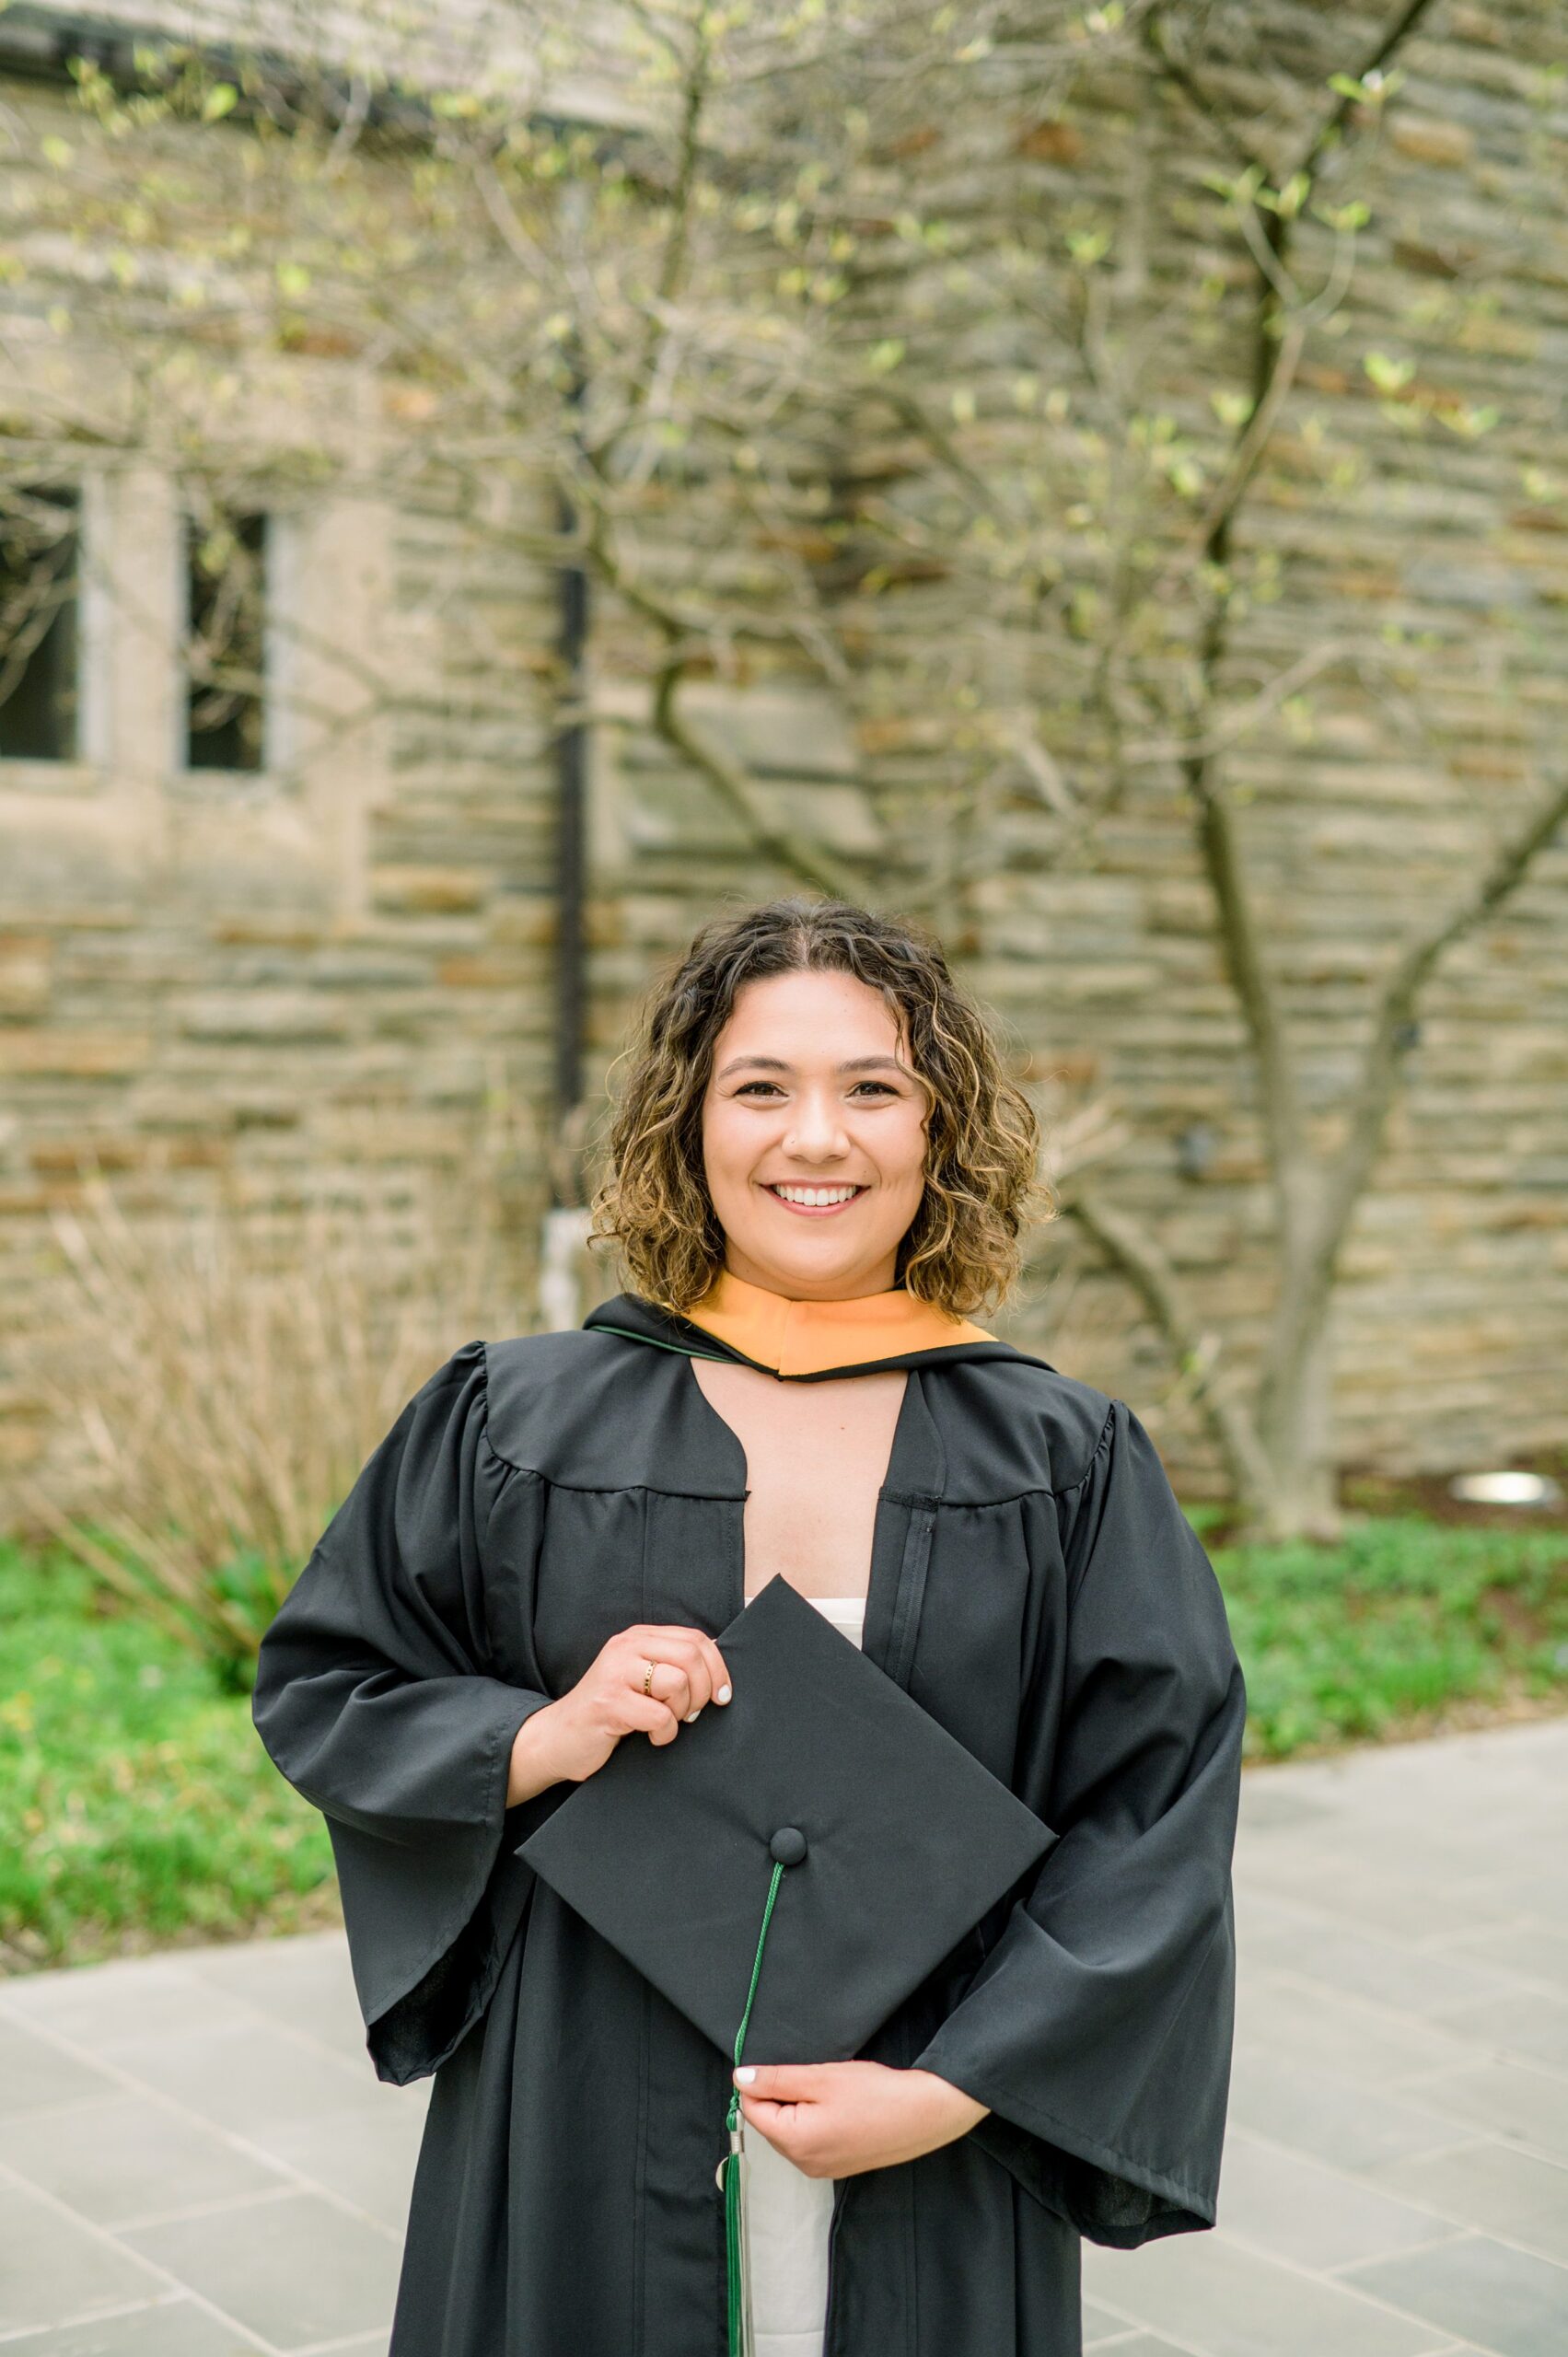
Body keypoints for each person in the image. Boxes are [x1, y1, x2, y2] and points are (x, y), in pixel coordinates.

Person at [251, 896, 1247, 2357]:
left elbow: (1154, 1810)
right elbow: (333, 1682)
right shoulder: (511, 1418)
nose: (816, 1139)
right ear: (688, 1124)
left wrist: (959, 2088)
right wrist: (538, 1734)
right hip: (587, 2102)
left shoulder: (1063, 1458)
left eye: (873, 1089)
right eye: (761, 1087)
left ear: (940, 1132)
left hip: (929, 2136)